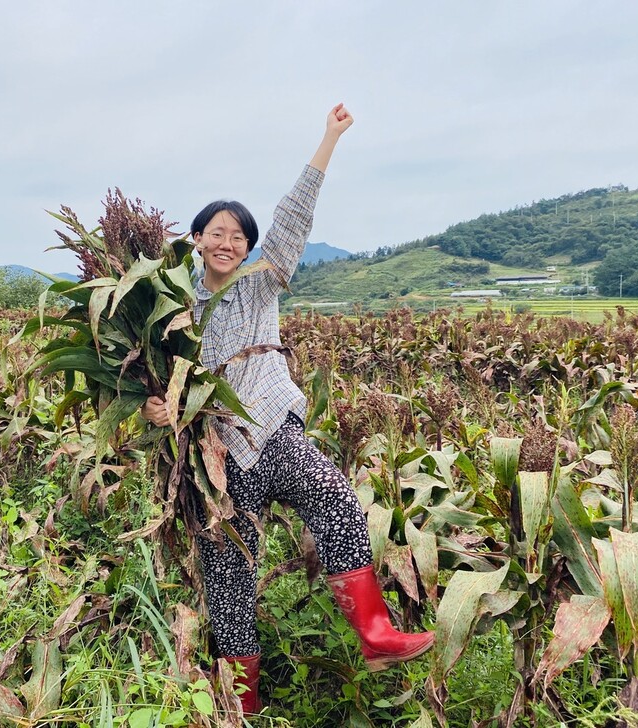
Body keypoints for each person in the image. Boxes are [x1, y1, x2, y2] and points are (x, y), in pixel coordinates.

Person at [140, 104, 434, 715]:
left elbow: (293, 218)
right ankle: (238, 705)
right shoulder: (168, 306)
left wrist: (328, 139)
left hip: (269, 431)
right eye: (216, 233)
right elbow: (142, 380)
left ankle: (376, 635)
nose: (228, 242)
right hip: (212, 458)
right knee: (228, 582)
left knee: (332, 494)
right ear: (196, 241)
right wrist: (157, 410)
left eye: (238, 235)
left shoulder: (261, 281)